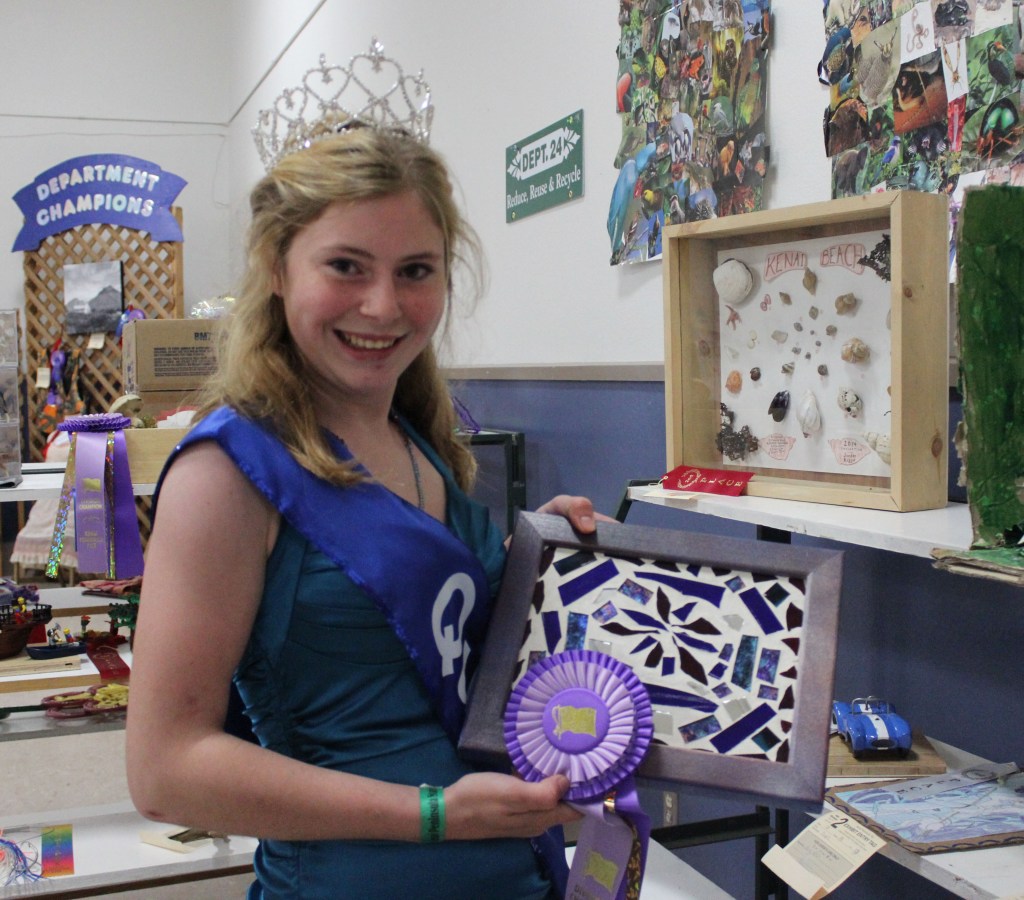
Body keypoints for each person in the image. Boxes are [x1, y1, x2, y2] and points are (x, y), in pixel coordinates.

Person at [126, 53, 601, 900]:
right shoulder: (226, 473)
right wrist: (432, 814)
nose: (383, 306)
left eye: (415, 271)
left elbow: (448, 661)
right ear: (278, 271)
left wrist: (545, 571)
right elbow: (165, 771)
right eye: (346, 266)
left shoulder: (425, 444)